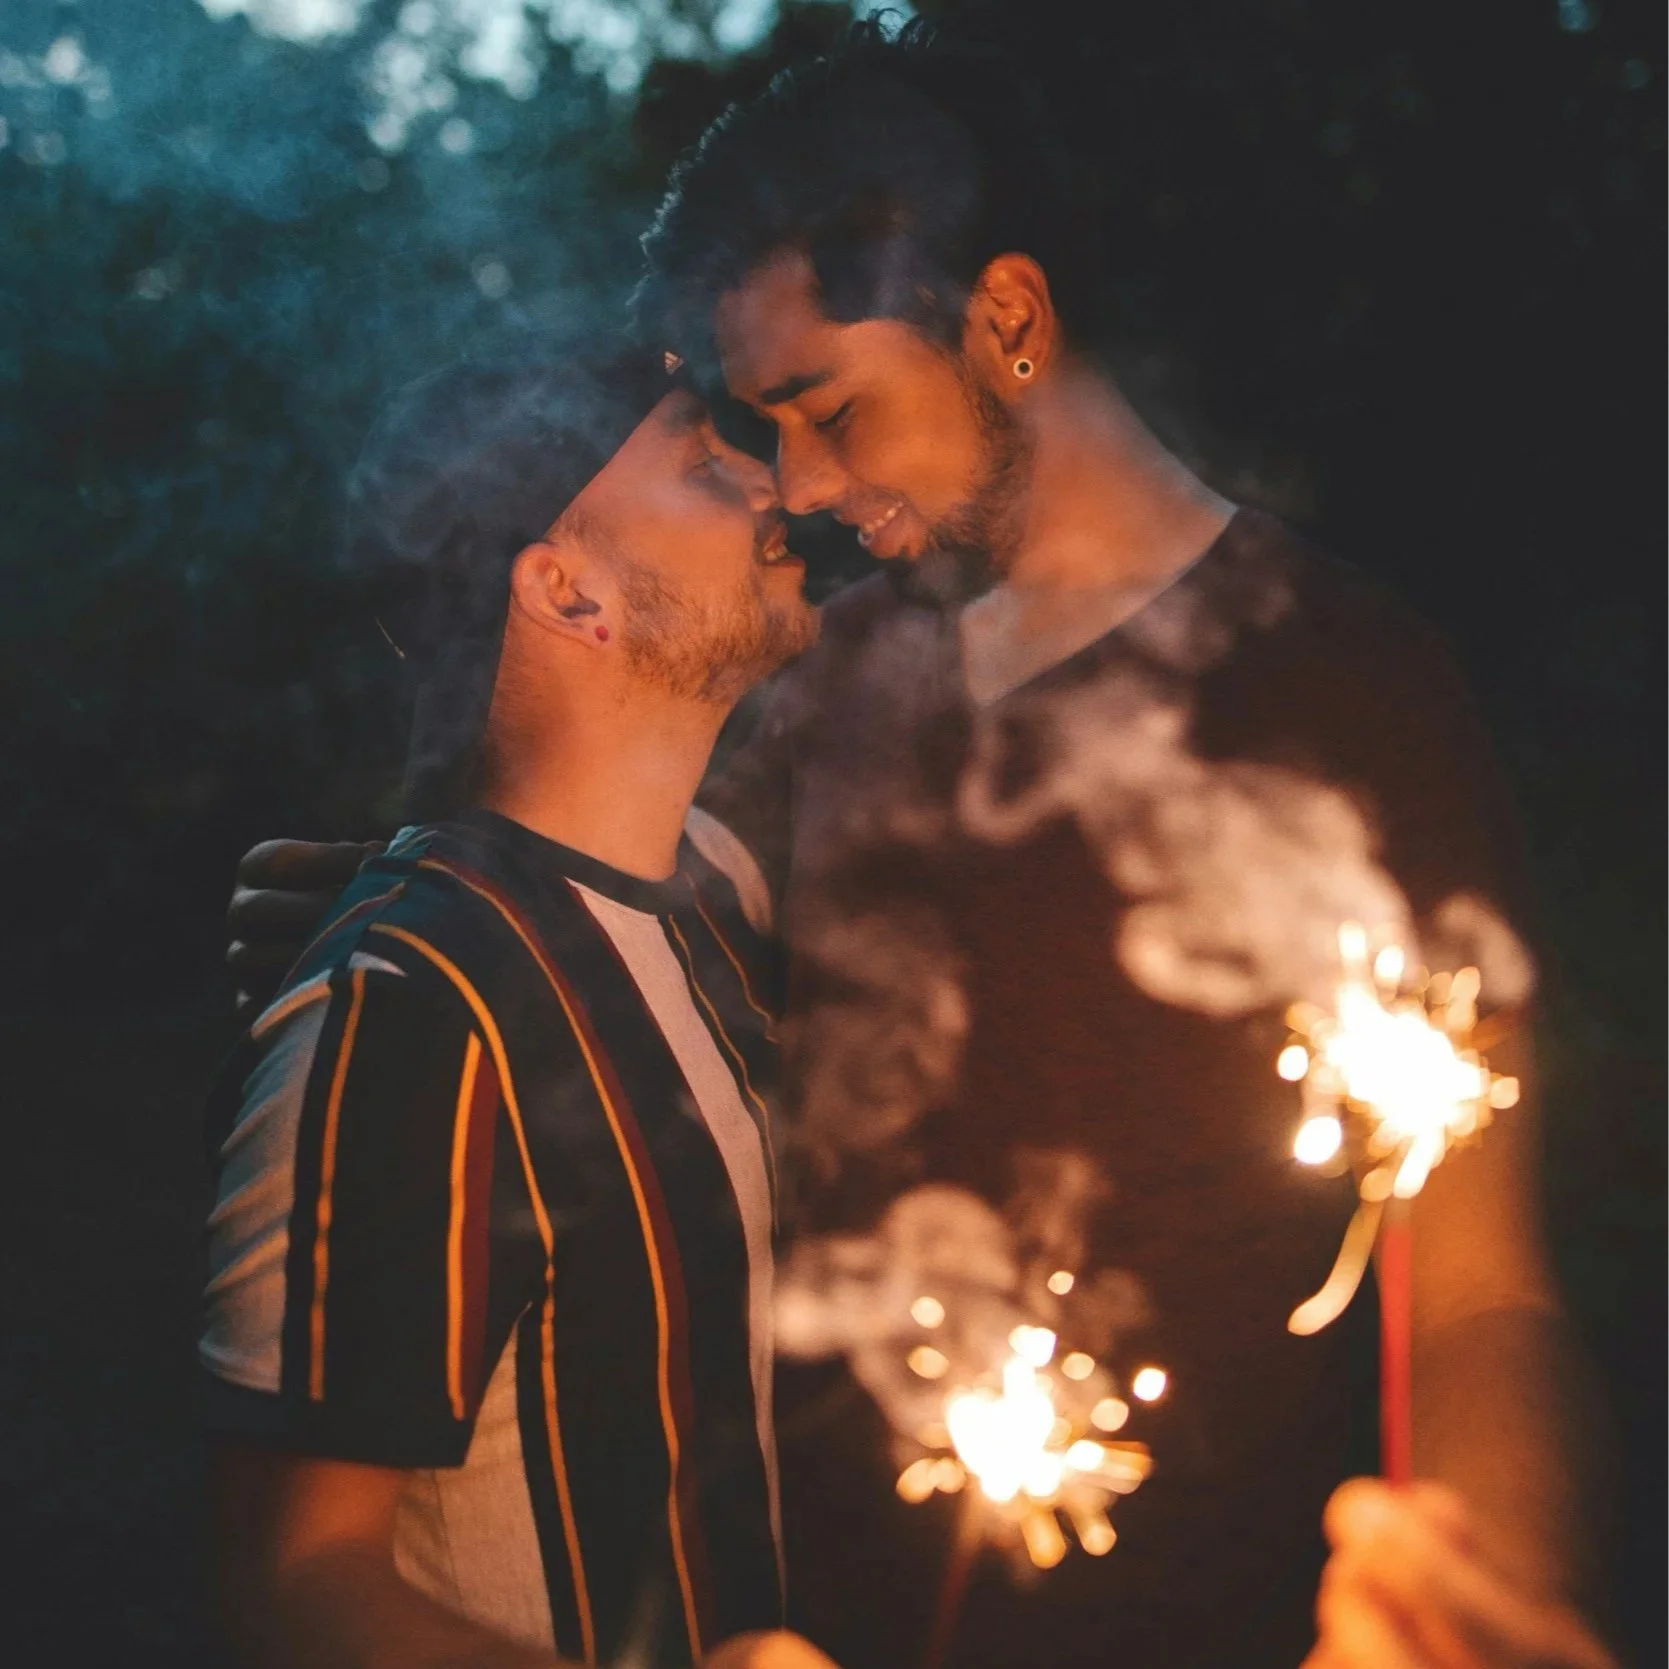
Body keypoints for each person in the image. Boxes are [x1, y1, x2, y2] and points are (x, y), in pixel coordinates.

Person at [229, 20, 1618, 1669]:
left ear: (1008, 323)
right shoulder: (821, 685)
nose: (800, 488)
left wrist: (1472, 1582)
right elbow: (594, 904)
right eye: (759, 431)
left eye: (827, 409)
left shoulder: (1355, 689)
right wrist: (399, 901)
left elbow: (1479, 1293)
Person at [200, 339, 834, 1669]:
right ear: (567, 591)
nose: (777, 482)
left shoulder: (717, 893)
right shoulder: (408, 1013)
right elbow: (292, 1592)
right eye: (706, 465)